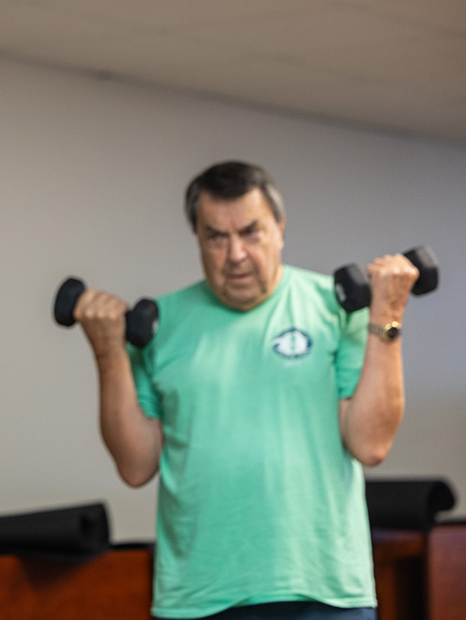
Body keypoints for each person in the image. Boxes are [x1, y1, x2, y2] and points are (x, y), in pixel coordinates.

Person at [73, 161, 418, 620]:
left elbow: (371, 443)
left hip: (323, 588)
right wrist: (108, 354)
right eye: (216, 236)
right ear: (197, 237)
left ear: (279, 228)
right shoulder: (161, 324)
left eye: (251, 232)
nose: (234, 254)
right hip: (199, 595)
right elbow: (136, 466)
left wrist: (388, 313)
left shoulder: (337, 310)